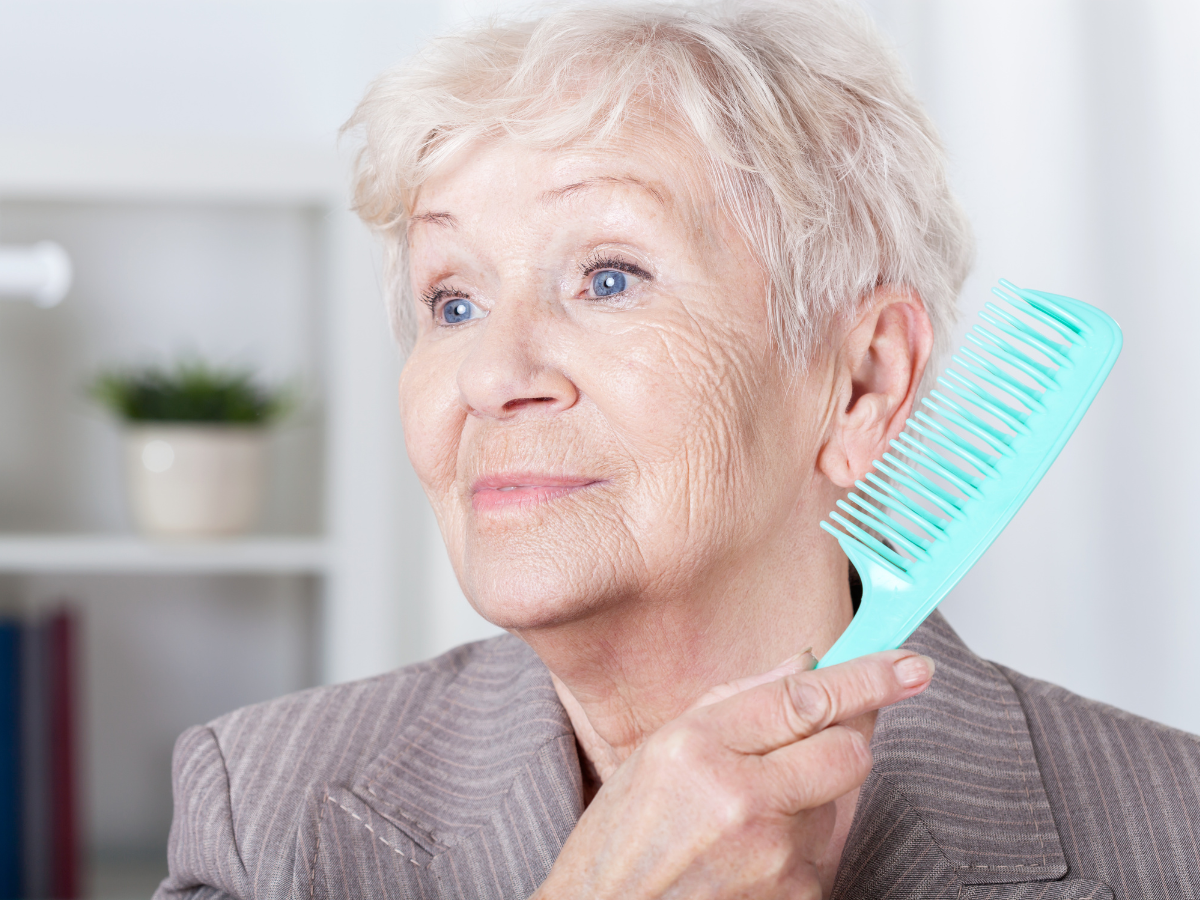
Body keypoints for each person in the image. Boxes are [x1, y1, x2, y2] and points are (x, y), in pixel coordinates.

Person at [154, 2, 1200, 898]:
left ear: (865, 383)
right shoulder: (266, 813)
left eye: (609, 277)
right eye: (453, 300)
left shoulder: (1176, 833)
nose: (489, 375)